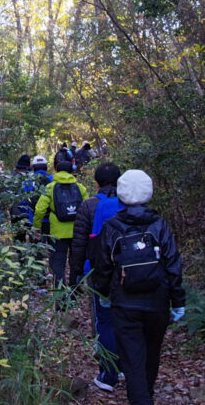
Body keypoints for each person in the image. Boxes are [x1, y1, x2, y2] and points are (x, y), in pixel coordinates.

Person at [93, 170, 185, 405]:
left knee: (133, 360)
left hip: (124, 303)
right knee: (151, 353)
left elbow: (103, 265)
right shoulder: (159, 225)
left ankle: (141, 399)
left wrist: (103, 293)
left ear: (121, 194)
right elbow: (172, 264)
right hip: (158, 301)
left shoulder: (112, 227)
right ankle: (147, 395)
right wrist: (178, 301)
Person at [70, 161, 123, 391]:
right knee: (124, 317)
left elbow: (80, 243)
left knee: (103, 319)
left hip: (98, 270)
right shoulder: (129, 204)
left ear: (97, 182)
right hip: (128, 269)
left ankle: (108, 369)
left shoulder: (89, 205)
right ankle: (125, 365)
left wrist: (76, 273)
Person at [33, 156, 87, 287]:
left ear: (56, 170)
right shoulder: (80, 188)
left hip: (57, 232)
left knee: (57, 262)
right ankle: (75, 289)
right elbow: (87, 208)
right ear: (72, 171)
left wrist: (36, 227)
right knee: (76, 260)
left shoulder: (50, 188)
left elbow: (40, 210)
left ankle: (60, 293)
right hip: (77, 231)